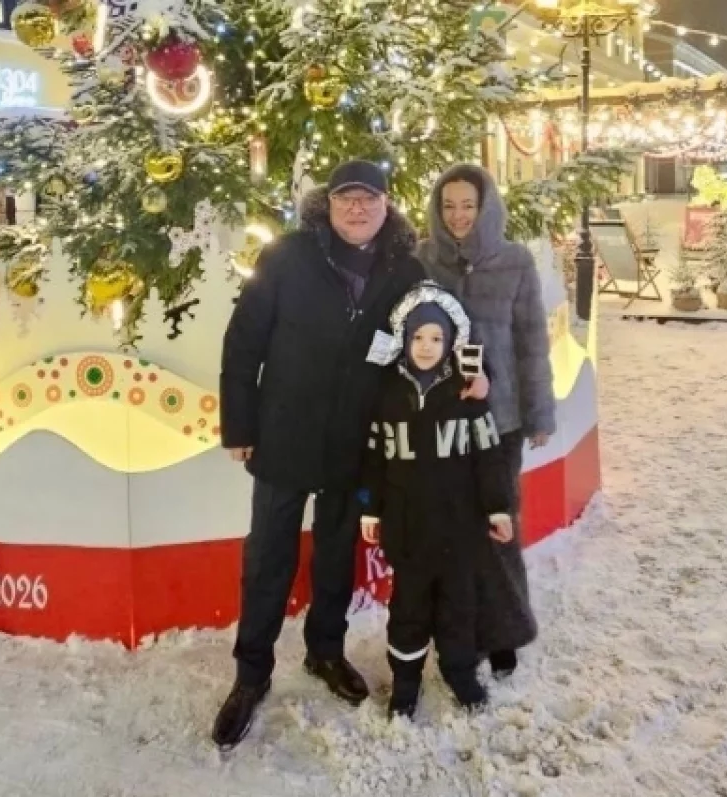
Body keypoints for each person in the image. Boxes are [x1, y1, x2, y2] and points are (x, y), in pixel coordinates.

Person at [212, 160, 427, 751]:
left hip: (355, 441)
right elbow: (244, 342)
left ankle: (325, 652)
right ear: (327, 205)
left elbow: (421, 350)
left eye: (369, 198)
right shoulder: (286, 257)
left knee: (337, 553)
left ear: (387, 204)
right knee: (268, 557)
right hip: (284, 433)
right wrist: (239, 425)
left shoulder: (406, 269)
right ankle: (251, 674)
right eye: (345, 198)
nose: (357, 208)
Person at [416, 164, 555, 679]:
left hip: (500, 420)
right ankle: (460, 632)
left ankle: (504, 630)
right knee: (452, 530)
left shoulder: (515, 261)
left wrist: (539, 412)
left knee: (498, 526)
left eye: (468, 206)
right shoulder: (422, 259)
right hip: (443, 419)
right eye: (449, 205)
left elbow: (531, 342)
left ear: (485, 207)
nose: (458, 216)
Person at [360, 282, 514, 718]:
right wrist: (370, 508)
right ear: (404, 338)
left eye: (436, 338)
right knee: (408, 608)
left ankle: (459, 671)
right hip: (407, 528)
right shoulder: (388, 393)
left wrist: (497, 507)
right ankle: (406, 681)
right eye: (417, 337)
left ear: (451, 343)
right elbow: (373, 457)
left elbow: (489, 456)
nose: (426, 347)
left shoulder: (467, 394)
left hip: (459, 529)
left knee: (458, 607)